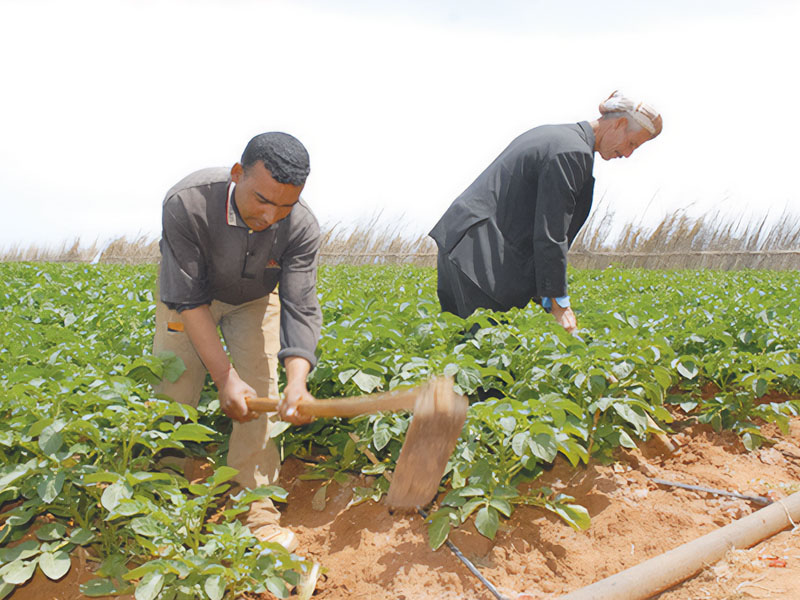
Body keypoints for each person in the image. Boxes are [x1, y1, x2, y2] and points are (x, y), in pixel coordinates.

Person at [153, 132, 321, 552]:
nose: (272, 216)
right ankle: (161, 498)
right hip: (191, 299)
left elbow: (299, 307)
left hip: (255, 299)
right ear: (236, 175)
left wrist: (297, 383)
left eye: (286, 204)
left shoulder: (300, 226)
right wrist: (224, 377)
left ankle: (254, 508)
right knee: (173, 388)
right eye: (263, 200)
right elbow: (190, 301)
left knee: (263, 391)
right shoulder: (188, 203)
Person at [429, 90, 662, 333]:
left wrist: (546, 298)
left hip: (462, 247)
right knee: (487, 354)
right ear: (620, 124)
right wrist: (559, 302)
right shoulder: (571, 152)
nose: (627, 154)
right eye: (632, 143)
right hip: (481, 260)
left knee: (463, 346)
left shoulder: (557, 136)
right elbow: (551, 232)